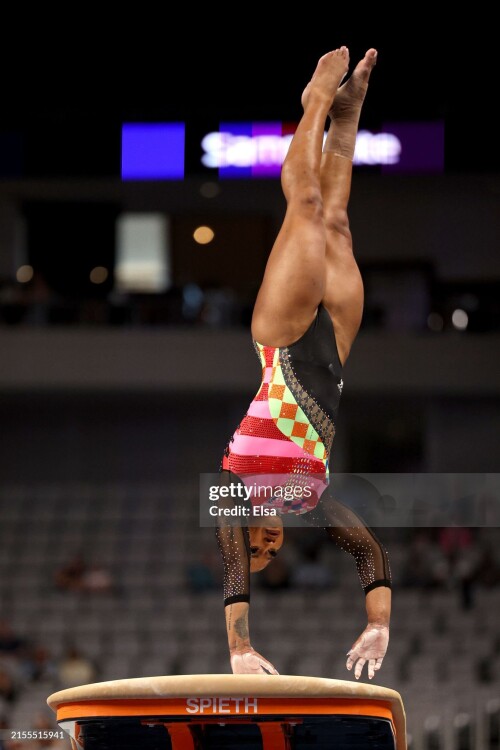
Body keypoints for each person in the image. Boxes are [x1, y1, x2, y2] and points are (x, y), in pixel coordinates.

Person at [215, 46, 392, 681]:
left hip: (283, 341)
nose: (261, 542)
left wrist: (239, 647)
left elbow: (235, 575)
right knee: (338, 224)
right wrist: (377, 625)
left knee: (308, 210)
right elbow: (368, 551)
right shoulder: (310, 499)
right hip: (335, 349)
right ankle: (346, 117)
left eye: (254, 546)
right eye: (271, 547)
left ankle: (312, 104)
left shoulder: (231, 495)